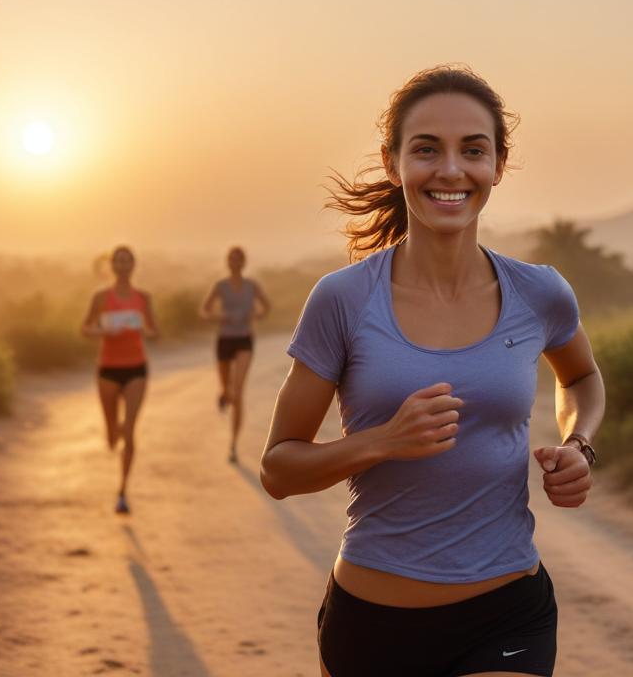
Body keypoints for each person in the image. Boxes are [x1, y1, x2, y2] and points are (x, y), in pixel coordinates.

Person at [259, 65, 605, 677]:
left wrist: (579, 444)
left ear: (498, 165)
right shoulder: (343, 300)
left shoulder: (541, 293)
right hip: (373, 624)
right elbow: (280, 468)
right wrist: (381, 442)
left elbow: (580, 378)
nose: (450, 170)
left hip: (508, 611)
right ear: (394, 165)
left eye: (473, 150)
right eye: (427, 149)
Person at [81, 245, 159, 515]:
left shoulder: (143, 298)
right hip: (108, 369)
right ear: (112, 265)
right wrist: (104, 330)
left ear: (134, 265)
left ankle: (123, 491)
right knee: (113, 435)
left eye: (127, 260)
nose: (123, 265)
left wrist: (141, 327)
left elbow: (155, 332)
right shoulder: (101, 297)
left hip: (136, 368)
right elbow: (85, 328)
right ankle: (114, 432)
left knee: (130, 430)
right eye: (118, 260)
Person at [200, 246, 272, 464]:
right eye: (232, 258)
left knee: (238, 391)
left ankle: (233, 444)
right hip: (224, 340)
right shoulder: (220, 286)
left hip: (244, 340)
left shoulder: (252, 286)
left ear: (244, 262)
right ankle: (224, 393)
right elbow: (204, 310)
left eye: (239, 258)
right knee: (228, 390)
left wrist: (257, 314)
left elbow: (266, 307)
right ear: (227, 262)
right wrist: (218, 316)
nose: (235, 262)